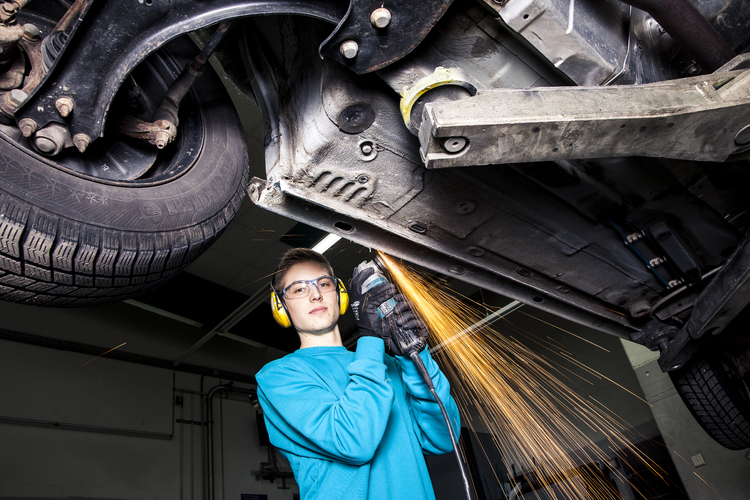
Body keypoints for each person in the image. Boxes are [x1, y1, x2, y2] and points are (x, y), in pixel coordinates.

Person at [255, 248, 460, 500]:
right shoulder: (278, 377)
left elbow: (443, 438)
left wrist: (414, 355)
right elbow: (354, 442)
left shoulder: (385, 363)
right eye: (299, 289)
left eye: (324, 283)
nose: (316, 295)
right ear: (280, 305)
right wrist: (371, 338)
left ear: (340, 294)